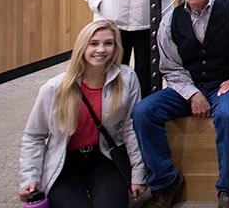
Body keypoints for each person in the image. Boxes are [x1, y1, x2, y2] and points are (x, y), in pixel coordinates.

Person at [132, 0, 229, 208]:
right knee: (143, 111)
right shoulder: (169, 21)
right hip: (187, 86)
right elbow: (170, 67)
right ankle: (164, 181)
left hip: (226, 85)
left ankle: (228, 190)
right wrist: (192, 93)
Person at [18, 20, 147, 207]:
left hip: (103, 157)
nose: (101, 49)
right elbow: (34, 136)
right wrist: (30, 178)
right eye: (93, 43)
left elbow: (130, 128)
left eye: (108, 43)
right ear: (82, 47)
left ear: (116, 47)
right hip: (65, 163)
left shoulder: (127, 78)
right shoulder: (54, 88)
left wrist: (138, 174)